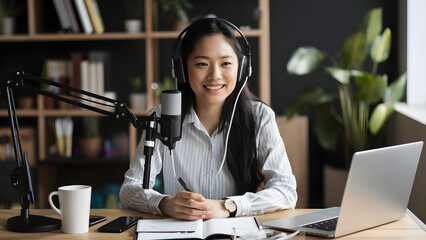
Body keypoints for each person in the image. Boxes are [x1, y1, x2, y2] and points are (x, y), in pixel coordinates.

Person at [119, 17, 297, 220]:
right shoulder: (161, 117)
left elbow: (286, 190)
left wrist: (229, 205)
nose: (215, 75)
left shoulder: (260, 117)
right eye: (202, 63)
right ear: (182, 69)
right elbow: (129, 189)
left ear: (242, 68)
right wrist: (164, 204)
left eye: (226, 63)